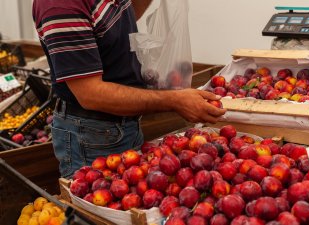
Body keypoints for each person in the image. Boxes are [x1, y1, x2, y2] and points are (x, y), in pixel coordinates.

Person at [32, 0, 226, 178]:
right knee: (98, 211)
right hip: (92, 137)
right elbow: (91, 95)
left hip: (123, 123)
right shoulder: (60, 5)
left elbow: (119, 19)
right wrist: (174, 100)